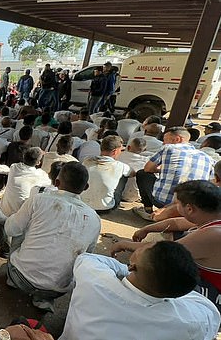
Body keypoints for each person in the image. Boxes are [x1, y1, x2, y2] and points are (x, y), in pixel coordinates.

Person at [60, 242, 220, 340]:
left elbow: (89, 258)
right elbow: (208, 310)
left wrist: (127, 270)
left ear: (132, 265)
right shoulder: (191, 321)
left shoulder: (94, 280)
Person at [5, 162, 101, 311]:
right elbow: (87, 256)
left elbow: (11, 229)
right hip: (57, 290)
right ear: (86, 187)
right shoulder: (94, 219)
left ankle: (12, 280)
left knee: (19, 227)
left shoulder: (38, 199)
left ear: (57, 182)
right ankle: (43, 300)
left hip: (21, 278)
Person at [113, 180, 221, 312]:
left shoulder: (212, 234)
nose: (174, 207)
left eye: (176, 204)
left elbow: (164, 251)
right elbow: (176, 223)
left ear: (189, 209)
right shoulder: (211, 218)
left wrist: (126, 244)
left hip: (212, 294)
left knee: (157, 268)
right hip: (208, 277)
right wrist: (147, 229)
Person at [134, 126, 215, 220]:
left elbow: (148, 168)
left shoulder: (169, 148)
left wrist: (162, 170)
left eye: (165, 140)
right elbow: (212, 181)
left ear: (177, 139)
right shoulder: (207, 158)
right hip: (191, 206)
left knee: (142, 174)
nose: (163, 143)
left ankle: (148, 209)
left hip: (163, 201)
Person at [81, 135, 135, 212]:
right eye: (121, 150)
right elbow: (133, 173)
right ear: (115, 151)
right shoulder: (120, 166)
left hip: (84, 204)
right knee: (124, 176)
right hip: (105, 207)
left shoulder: (87, 161)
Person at [0, 147, 50, 216]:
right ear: (38, 163)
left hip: (3, 210)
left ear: (24, 157)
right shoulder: (41, 175)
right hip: (18, 215)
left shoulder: (14, 167)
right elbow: (49, 183)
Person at [118, 138, 150, 202]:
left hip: (117, 193)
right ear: (145, 150)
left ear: (129, 147)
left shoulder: (119, 155)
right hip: (134, 196)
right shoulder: (146, 161)